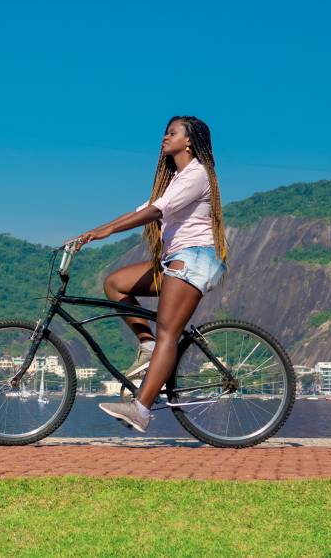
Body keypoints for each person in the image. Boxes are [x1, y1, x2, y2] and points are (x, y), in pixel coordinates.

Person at [71, 115, 228, 432]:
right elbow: (141, 210)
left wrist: (109, 230)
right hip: (176, 260)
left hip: (194, 259)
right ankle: (148, 344)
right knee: (115, 284)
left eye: (172, 133)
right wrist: (94, 232)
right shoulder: (175, 181)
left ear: (189, 141)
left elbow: (155, 212)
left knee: (169, 333)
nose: (164, 137)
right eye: (164, 132)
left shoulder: (197, 174)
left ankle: (141, 409)